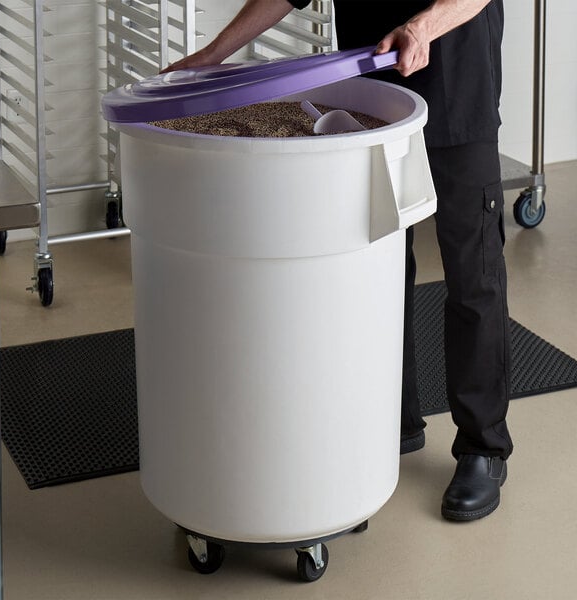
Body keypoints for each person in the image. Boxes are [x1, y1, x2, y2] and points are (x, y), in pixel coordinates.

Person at [161, 0, 513, 522]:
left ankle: (483, 449)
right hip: (373, 100)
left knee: (473, 275)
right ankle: (393, 423)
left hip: (458, 93)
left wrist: (421, 27)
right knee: (377, 271)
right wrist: (213, 54)